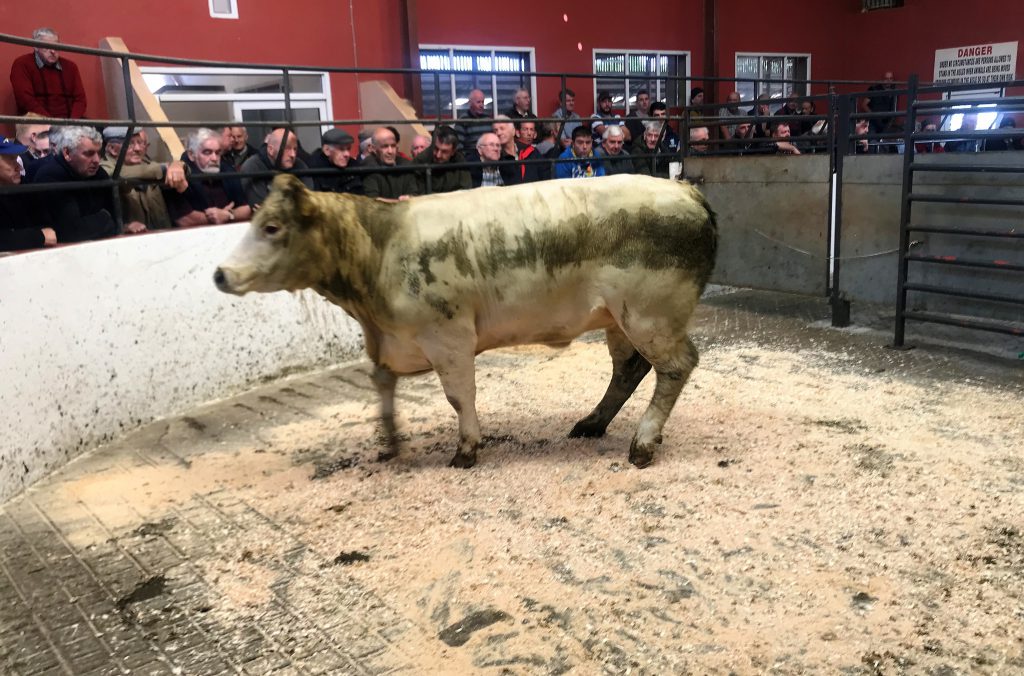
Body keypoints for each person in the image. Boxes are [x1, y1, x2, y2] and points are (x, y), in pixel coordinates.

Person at [32, 126, 132, 241]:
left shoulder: (97, 172)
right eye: (89, 154)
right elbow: (71, 232)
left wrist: (124, 224)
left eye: (98, 153)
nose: (96, 160)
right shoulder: (49, 176)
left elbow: (117, 217)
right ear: (67, 153)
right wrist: (105, 217)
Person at [98, 127, 190, 230]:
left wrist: (178, 165)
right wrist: (165, 169)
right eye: (130, 143)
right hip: (128, 241)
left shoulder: (147, 164)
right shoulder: (104, 168)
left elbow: (187, 170)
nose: (138, 149)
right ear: (112, 149)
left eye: (140, 143)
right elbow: (118, 174)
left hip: (161, 236)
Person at [171, 127, 252, 227]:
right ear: (192, 155)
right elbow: (184, 219)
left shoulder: (227, 171)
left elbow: (246, 209)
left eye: (218, 153)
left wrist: (229, 215)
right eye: (207, 152)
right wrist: (215, 217)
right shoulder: (180, 175)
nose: (214, 158)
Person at [10, 27, 87, 118]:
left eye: (56, 46)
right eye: (46, 46)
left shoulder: (70, 67)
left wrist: (72, 123)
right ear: (35, 47)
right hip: (37, 122)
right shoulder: (22, 64)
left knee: (106, 130)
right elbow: (26, 101)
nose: (53, 51)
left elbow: (80, 100)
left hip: (70, 122)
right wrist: (51, 123)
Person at [0, 138, 57, 252]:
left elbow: (49, 228)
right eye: (11, 160)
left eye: (16, 159)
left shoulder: (25, 187)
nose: (19, 167)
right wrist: (38, 237)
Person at [239, 127, 315, 208]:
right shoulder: (253, 167)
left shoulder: (299, 165)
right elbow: (261, 207)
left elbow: (309, 202)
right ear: (271, 150)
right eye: (287, 148)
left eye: (295, 149)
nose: (293, 154)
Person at [363, 126, 419, 200]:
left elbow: (414, 196)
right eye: (385, 146)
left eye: (393, 146)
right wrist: (400, 202)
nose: (390, 151)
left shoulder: (407, 165)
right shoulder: (369, 166)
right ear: (373, 149)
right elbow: (373, 201)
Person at [413, 125, 471, 194]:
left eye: (444, 151)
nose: (438, 155)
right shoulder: (420, 161)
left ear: (453, 151)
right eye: (436, 148)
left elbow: (466, 190)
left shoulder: (460, 161)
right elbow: (415, 192)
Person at [307, 128, 363, 194]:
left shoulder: (354, 167)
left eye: (348, 149)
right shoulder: (313, 170)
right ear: (327, 150)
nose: (347, 154)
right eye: (341, 149)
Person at [455, 89, 493, 155]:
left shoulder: (488, 119)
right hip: (471, 158)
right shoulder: (462, 121)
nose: (481, 105)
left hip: (489, 156)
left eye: (483, 102)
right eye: (478, 102)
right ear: (470, 103)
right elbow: (459, 147)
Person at [14, 113, 51, 180]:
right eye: (47, 134)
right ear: (34, 137)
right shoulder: (16, 160)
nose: (51, 138)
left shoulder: (34, 155)